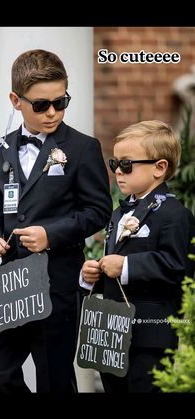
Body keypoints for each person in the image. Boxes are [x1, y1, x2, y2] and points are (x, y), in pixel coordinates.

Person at [0, 49, 112, 393]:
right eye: (41, 105)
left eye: (61, 101)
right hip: (10, 283)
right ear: (16, 100)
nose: (53, 112)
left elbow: (99, 210)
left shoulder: (83, 148)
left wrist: (50, 235)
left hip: (57, 283)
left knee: (54, 378)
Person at [82, 120, 195, 393]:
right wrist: (93, 276)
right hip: (112, 332)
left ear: (160, 167)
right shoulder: (119, 214)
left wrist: (126, 265)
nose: (118, 172)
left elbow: (178, 267)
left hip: (151, 333)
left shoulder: (175, 215)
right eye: (115, 164)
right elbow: (116, 267)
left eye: (127, 164)